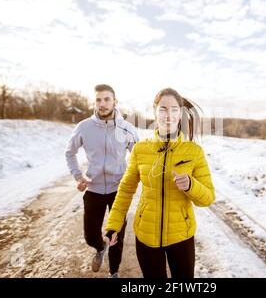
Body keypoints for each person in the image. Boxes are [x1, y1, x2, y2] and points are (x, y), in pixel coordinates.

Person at [104, 87, 215, 278]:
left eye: (174, 110)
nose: (168, 115)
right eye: (163, 109)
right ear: (155, 111)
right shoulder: (141, 149)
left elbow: (208, 198)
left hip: (182, 236)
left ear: (180, 113)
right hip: (146, 236)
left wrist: (191, 185)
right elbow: (125, 189)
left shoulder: (194, 152)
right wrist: (113, 225)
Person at [65, 84, 139, 278]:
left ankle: (114, 272)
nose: (103, 104)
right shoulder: (84, 127)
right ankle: (99, 247)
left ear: (115, 101)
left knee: (117, 236)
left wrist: (131, 179)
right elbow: (69, 153)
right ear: (95, 102)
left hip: (119, 190)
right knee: (90, 236)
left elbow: (139, 157)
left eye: (107, 99)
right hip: (93, 188)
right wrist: (78, 176)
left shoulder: (126, 128)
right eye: (99, 99)